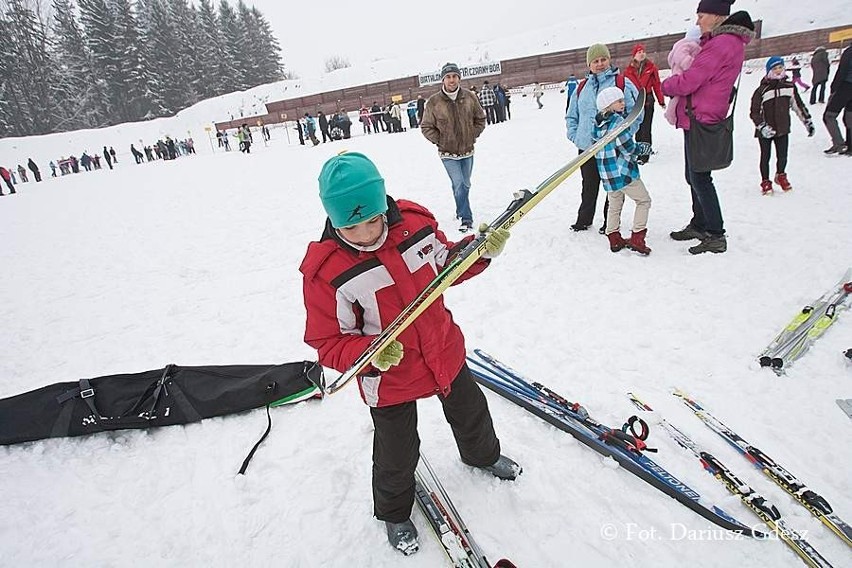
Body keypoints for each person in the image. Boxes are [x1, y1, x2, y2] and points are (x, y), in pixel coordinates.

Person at [299, 151, 520, 557]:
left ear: (383, 202)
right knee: (397, 450)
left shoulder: (416, 225)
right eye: (351, 225)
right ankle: (395, 512)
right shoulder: (328, 272)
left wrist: (479, 251)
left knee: (471, 411)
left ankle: (483, 455)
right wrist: (369, 352)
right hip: (390, 375)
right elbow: (327, 341)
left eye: (371, 219)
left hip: (442, 348)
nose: (365, 233)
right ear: (333, 220)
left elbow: (447, 265)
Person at [661, 1, 755, 255]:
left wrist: (666, 86)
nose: (697, 21)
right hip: (697, 115)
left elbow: (691, 80)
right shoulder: (724, 41)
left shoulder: (721, 44)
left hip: (701, 116)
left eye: (701, 15)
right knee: (693, 176)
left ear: (716, 16)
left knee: (700, 178)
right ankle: (700, 223)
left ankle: (715, 234)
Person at [566, 43, 640, 233]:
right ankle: (584, 220)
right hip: (587, 146)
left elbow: (635, 113)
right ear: (589, 64)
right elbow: (572, 115)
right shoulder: (582, 87)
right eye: (595, 61)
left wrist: (622, 136)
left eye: (603, 59)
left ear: (609, 60)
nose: (599, 64)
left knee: (613, 186)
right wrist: (575, 135)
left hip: (612, 146)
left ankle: (610, 222)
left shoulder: (622, 83)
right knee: (588, 184)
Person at [420, 62, 487, 233]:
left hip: (467, 150)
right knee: (460, 183)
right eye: (448, 77)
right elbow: (426, 127)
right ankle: (466, 218)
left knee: (464, 184)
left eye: (454, 76)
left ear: (459, 78)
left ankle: (459, 209)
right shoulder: (434, 102)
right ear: (443, 79)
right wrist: (441, 140)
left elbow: (480, 119)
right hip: (447, 153)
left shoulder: (470, 97)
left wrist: (473, 134)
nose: (452, 80)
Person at [594, 87, 653, 255]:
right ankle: (637, 238)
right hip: (623, 172)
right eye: (619, 101)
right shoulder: (618, 122)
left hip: (607, 174)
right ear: (608, 105)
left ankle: (614, 238)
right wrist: (643, 148)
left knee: (614, 204)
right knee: (644, 201)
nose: (623, 103)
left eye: (622, 100)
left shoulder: (597, 123)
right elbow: (628, 148)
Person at [749, 56, 814, 194]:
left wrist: (807, 121)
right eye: (774, 68)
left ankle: (781, 175)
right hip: (766, 130)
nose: (778, 71)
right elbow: (755, 112)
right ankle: (765, 181)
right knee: (765, 156)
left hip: (783, 128)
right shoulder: (762, 90)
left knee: (782, 155)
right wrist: (762, 126)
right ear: (769, 71)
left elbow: (798, 106)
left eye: (780, 67)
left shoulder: (789, 87)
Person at [624, 43, 666, 164]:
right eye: (639, 52)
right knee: (637, 127)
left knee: (646, 127)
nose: (642, 54)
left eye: (643, 51)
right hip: (635, 101)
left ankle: (645, 155)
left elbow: (657, 84)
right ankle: (638, 151)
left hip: (647, 99)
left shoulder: (651, 67)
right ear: (634, 55)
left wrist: (661, 100)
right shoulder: (629, 71)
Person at [665, 26, 703, 126]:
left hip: (681, 72)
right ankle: (671, 115)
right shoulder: (689, 44)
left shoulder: (688, 44)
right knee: (677, 96)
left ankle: (672, 115)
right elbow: (680, 55)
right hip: (681, 71)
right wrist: (691, 65)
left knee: (679, 97)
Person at [823, 44, 852, 155]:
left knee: (829, 115)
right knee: (850, 116)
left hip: (845, 86)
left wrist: (834, 88)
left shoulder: (849, 52)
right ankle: (850, 145)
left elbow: (842, 71)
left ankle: (839, 144)